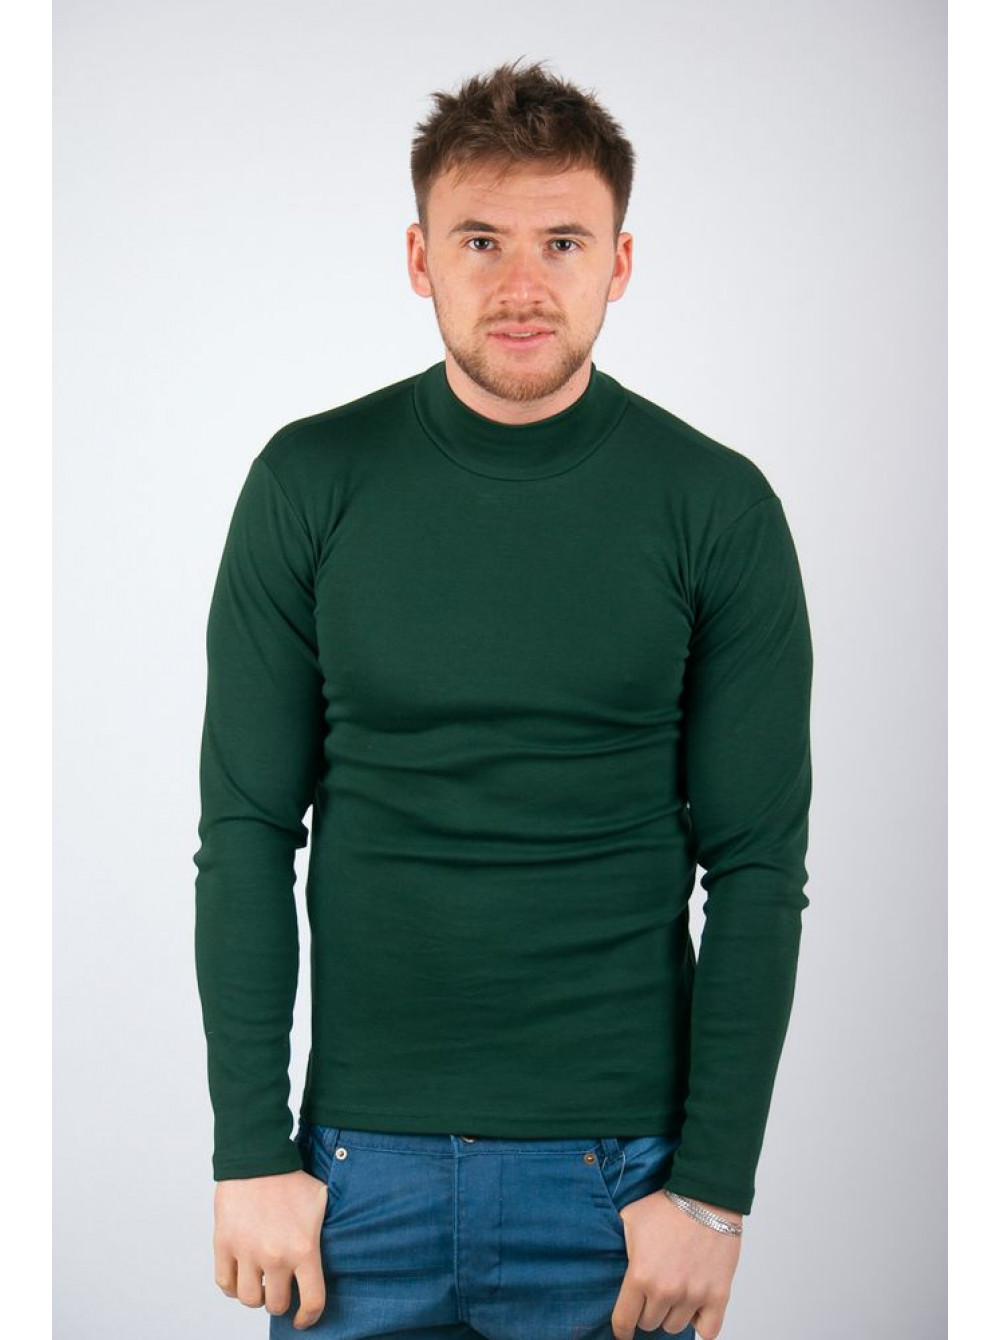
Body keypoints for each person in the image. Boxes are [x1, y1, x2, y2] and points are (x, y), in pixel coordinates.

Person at [193, 57, 813, 1340]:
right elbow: (246, 830)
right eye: (481, 240)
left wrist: (712, 1190)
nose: (522, 285)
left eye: (562, 242)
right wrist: (248, 1150)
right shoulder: (309, 481)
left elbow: (756, 865)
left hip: (618, 1179)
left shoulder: (715, 506)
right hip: (353, 1177)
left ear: (618, 263)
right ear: (419, 257)